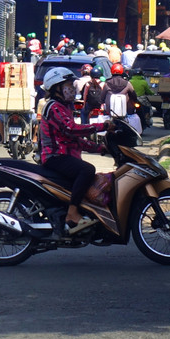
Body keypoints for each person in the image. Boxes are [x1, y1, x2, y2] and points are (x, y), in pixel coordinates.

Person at [37, 68, 108, 234]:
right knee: (87, 170)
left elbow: (75, 141)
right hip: (55, 156)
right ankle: (72, 213)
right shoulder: (53, 107)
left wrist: (101, 148)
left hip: (65, 155)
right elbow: (71, 129)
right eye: (69, 85)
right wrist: (102, 126)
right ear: (57, 88)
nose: (73, 88)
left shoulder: (65, 107)